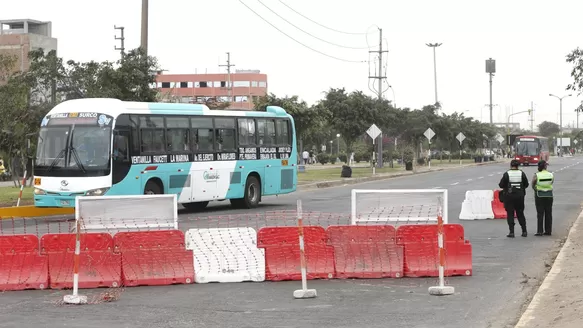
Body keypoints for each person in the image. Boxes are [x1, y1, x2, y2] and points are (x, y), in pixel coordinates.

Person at [499, 159, 529, 238]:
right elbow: (526, 184)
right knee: (520, 213)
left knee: (510, 214)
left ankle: (511, 232)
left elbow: (501, 185)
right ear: (518, 166)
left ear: (511, 165)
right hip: (520, 196)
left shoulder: (507, 174)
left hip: (509, 197)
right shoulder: (521, 173)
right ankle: (524, 231)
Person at [532, 160, 554, 236]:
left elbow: (533, 184)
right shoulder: (551, 174)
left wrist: (536, 188)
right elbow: (551, 182)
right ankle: (548, 231)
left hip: (539, 195)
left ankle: (540, 231)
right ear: (545, 166)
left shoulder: (537, 175)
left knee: (540, 213)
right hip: (549, 195)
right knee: (548, 213)